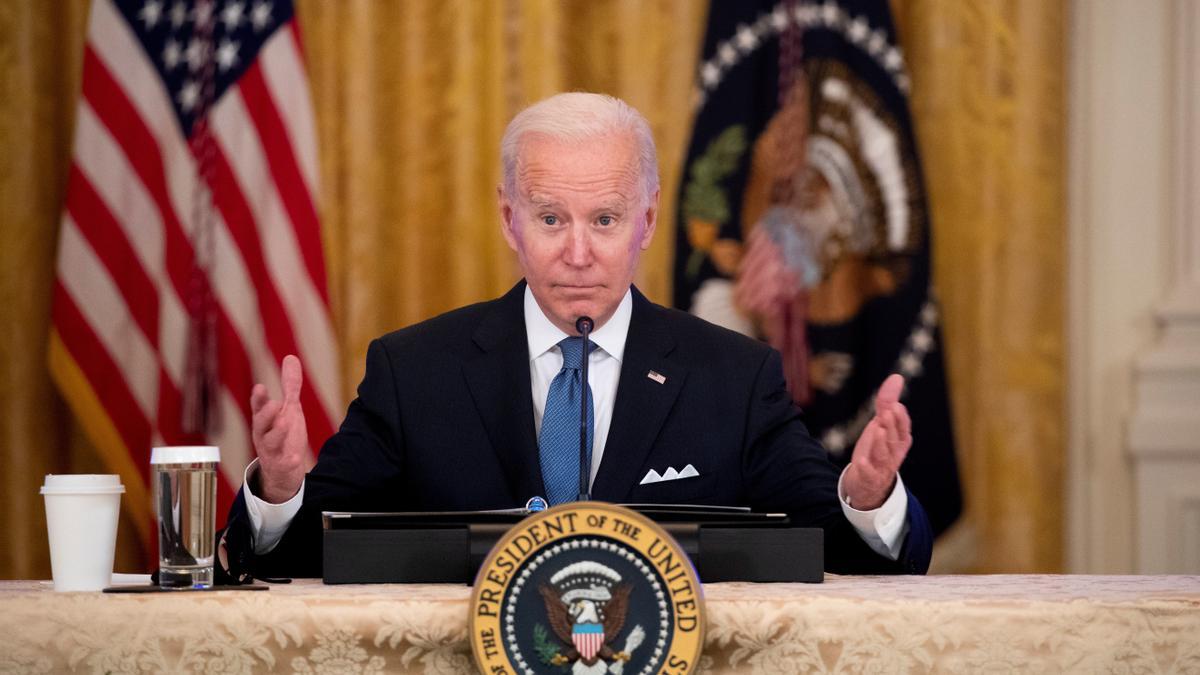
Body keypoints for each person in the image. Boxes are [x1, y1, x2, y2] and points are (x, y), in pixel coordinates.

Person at [219, 92, 932, 580]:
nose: (579, 252)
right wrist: (280, 490)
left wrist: (867, 496)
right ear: (509, 220)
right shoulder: (415, 372)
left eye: (605, 219)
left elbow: (846, 558)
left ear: (647, 222)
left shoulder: (734, 378)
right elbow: (298, 557)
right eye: (552, 218)